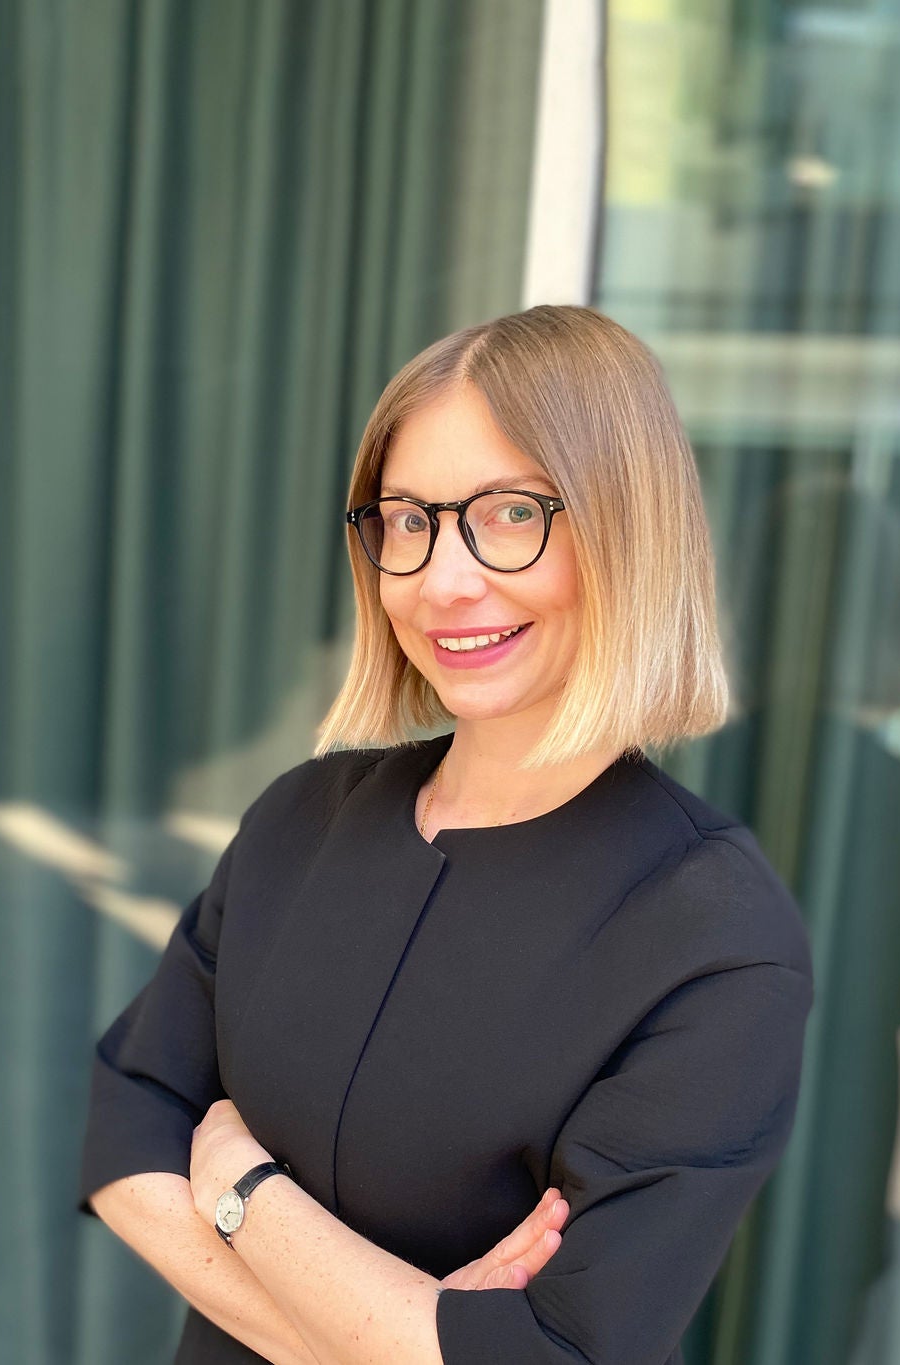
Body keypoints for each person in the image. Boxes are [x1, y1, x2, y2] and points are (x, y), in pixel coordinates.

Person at [76, 305, 815, 1365]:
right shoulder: (302, 818)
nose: (442, 579)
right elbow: (127, 1125)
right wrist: (382, 1341)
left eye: (510, 513)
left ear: (627, 531)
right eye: (407, 520)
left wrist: (240, 1186)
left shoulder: (715, 936)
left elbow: (552, 1352)